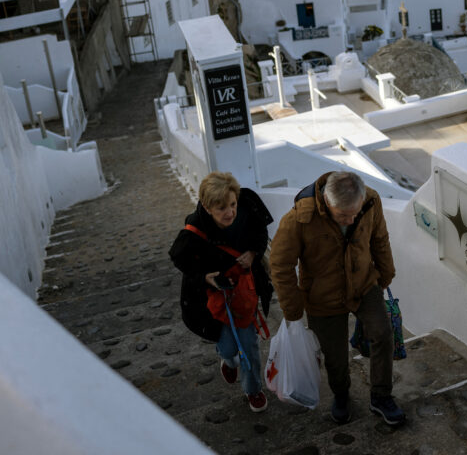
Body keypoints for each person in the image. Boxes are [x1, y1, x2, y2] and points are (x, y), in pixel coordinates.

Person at [270, 171, 405, 425]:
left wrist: (386, 275)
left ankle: (381, 396)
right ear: (327, 203)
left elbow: (379, 239)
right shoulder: (299, 219)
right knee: (335, 355)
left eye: (354, 214)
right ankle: (341, 395)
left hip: (364, 283)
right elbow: (280, 264)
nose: (351, 219)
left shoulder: (371, 201)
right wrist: (293, 310)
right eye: (344, 216)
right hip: (323, 295)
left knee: (383, 333)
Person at [169, 171, 273, 412]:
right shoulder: (194, 230)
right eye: (221, 208)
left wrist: (253, 253)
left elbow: (260, 233)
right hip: (214, 300)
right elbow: (179, 257)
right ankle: (228, 360)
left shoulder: (248, 208)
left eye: (232, 204)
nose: (230, 212)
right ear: (207, 207)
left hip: (244, 294)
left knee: (249, 344)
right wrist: (204, 277)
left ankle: (253, 390)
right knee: (227, 347)